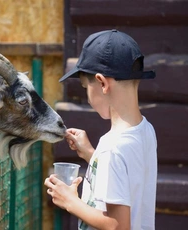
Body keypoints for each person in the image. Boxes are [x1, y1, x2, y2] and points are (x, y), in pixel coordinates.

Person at [44, 29, 157, 230]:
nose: (87, 97)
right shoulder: (145, 130)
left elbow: (118, 226)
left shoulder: (111, 148)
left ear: (102, 83)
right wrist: (91, 155)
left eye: (85, 87)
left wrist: (70, 201)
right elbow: (127, 177)